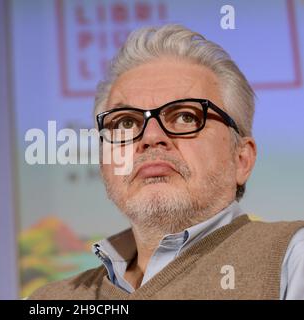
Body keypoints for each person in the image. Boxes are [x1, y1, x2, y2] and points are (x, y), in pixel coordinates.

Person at [29, 24, 304, 299]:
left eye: (186, 117)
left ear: (241, 158)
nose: (150, 137)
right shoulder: (47, 300)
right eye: (126, 122)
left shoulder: (292, 260)